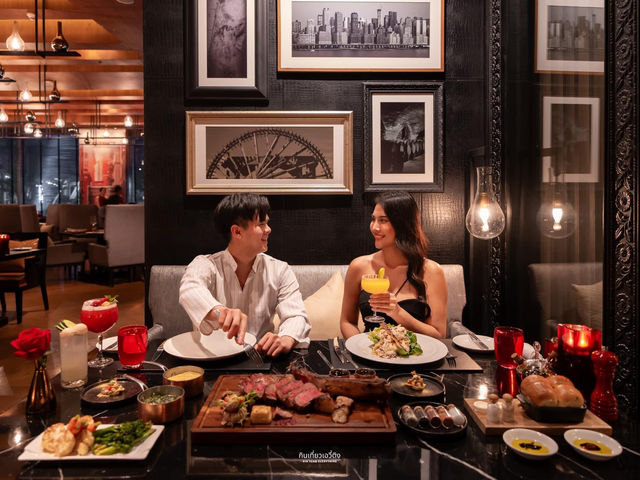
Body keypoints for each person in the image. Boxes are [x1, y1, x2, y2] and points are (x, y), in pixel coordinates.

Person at [179, 193, 310, 357]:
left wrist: (286, 338)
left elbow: (296, 315)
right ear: (237, 232)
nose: (268, 229)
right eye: (261, 224)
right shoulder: (205, 264)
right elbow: (190, 290)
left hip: (261, 357)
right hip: (212, 358)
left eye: (267, 223)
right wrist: (220, 312)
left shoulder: (279, 269)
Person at [340, 191, 447, 339]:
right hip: (369, 351)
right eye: (373, 219)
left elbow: (439, 335)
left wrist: (398, 313)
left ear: (403, 224)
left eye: (383, 220)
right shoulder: (358, 266)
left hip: (415, 352)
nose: (374, 227)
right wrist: (360, 345)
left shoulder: (431, 271)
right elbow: (347, 321)